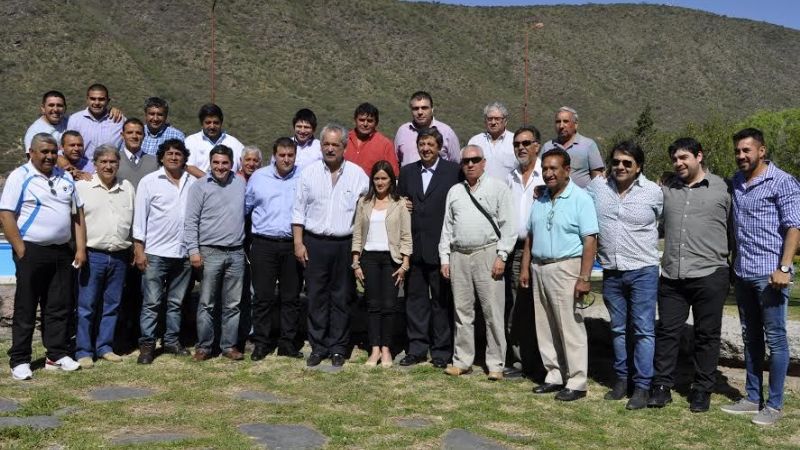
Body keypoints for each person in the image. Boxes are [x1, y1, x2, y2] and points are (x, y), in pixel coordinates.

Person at [722, 128, 800, 425]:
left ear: (762, 151)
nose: (741, 156)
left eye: (747, 150)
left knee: (776, 340)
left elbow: (794, 226)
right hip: (742, 272)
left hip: (770, 275)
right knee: (750, 338)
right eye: (738, 151)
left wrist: (784, 268)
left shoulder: (783, 182)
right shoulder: (738, 181)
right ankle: (753, 398)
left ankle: (775, 406)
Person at [647, 137, 731, 413]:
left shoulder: (723, 188)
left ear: (699, 156)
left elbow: (737, 229)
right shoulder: (667, 189)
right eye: (674, 159)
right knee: (668, 332)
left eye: (684, 157)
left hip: (710, 274)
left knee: (707, 335)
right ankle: (661, 386)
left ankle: (702, 389)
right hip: (672, 276)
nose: (678, 163)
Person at [0, 133, 87, 379]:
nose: (49, 156)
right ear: (32, 152)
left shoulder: (65, 178)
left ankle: (56, 355)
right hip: (31, 251)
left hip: (61, 251)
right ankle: (20, 360)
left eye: (52, 152)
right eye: (44, 152)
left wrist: (80, 248)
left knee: (59, 306)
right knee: (26, 306)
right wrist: (20, 249)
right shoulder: (21, 176)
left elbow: (77, 216)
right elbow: (6, 214)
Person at [586, 141, 663, 410]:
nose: (620, 166)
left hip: (643, 270)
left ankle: (642, 386)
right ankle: (621, 379)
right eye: (616, 161)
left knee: (643, 330)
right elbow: (575, 199)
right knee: (618, 329)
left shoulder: (653, 192)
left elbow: (665, 222)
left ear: (638, 167)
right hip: (611, 271)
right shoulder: (597, 188)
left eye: (627, 163)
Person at [521, 148, 598, 401]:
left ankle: (577, 381)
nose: (548, 173)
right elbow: (530, 237)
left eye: (554, 168)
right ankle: (554, 375)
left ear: (568, 170)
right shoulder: (541, 198)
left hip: (566, 267)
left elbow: (590, 240)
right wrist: (525, 266)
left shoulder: (581, 199)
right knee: (545, 325)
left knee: (570, 327)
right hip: (540, 267)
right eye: (545, 169)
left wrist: (584, 278)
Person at [292, 124, 369, 367]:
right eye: (326, 144)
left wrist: (358, 250)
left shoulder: (358, 175)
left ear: (344, 147)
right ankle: (318, 346)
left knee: (342, 297)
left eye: (335, 144)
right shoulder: (308, 173)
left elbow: (364, 214)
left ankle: (338, 347)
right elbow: (298, 211)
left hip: (344, 244)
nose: (330, 148)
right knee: (316, 296)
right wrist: (298, 243)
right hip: (314, 242)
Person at [439, 145, 516, 380]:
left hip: (487, 253)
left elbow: (508, 226)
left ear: (484, 162)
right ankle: (462, 360)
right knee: (462, 312)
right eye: (466, 161)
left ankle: (495, 363)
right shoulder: (455, 191)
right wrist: (445, 258)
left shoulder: (498, 188)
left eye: (475, 160)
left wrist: (502, 256)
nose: (470, 164)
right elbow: (447, 227)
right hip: (459, 255)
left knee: (492, 311)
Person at [396, 127, 461, 368]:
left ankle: (442, 351)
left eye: (430, 144)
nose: (425, 149)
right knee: (415, 301)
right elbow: (400, 203)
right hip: (414, 248)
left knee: (442, 302)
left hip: (441, 248)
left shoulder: (453, 172)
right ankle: (416, 348)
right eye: (422, 144)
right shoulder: (407, 173)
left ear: (440, 147)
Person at [132, 139, 196, 364]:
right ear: (161, 157)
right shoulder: (149, 182)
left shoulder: (192, 182)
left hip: (184, 252)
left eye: (178, 154)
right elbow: (140, 218)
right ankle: (147, 345)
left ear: (184, 158)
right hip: (156, 252)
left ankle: (171, 340)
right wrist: (139, 249)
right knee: (151, 302)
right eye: (169, 153)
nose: (174, 157)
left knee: (176, 302)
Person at [74, 145, 135, 368]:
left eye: (113, 162)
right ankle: (83, 350)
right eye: (104, 162)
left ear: (118, 164)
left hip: (119, 256)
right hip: (93, 255)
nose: (109, 166)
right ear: (95, 164)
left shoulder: (127, 187)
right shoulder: (82, 187)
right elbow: (75, 221)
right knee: (87, 306)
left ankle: (105, 347)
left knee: (112, 305)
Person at [185, 145, 247, 361]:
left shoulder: (240, 183)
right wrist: (194, 250)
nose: (220, 167)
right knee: (207, 303)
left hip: (236, 253)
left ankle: (229, 346)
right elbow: (191, 222)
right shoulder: (199, 187)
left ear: (231, 164)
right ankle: (204, 347)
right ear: (210, 164)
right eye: (216, 163)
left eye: (225, 163)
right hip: (209, 252)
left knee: (233, 304)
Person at [246, 138, 304, 360]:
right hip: (264, 244)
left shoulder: (303, 176)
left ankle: (287, 343)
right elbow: (246, 207)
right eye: (282, 155)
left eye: (290, 155)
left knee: (291, 297)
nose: (286, 159)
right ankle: (261, 342)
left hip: (292, 244)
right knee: (263, 296)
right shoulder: (259, 177)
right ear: (274, 155)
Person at [352, 161, 412, 368]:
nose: (380, 182)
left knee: (389, 306)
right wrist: (355, 262)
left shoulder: (400, 203)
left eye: (384, 178)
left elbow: (406, 235)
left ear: (391, 180)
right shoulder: (364, 203)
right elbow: (358, 233)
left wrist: (405, 264)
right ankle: (374, 348)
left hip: (391, 260)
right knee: (372, 306)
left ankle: (387, 347)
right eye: (376, 178)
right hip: (369, 258)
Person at [504, 126, 544, 377]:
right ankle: (520, 360)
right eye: (517, 143)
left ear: (537, 146)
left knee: (540, 306)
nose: (521, 147)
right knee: (517, 306)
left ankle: (542, 361)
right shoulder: (509, 178)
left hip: (542, 250)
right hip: (514, 250)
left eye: (526, 143)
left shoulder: (547, 175)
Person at [541, 106, 603, 188]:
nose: (561, 126)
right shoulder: (548, 146)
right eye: (558, 122)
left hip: (582, 198)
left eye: (566, 121)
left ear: (575, 124)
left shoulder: (588, 145)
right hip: (553, 198)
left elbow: (597, 177)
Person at [394, 91, 460, 166]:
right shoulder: (403, 131)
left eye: (424, 108)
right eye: (416, 108)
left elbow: (456, 164)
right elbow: (396, 162)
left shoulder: (447, 132)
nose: (420, 112)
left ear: (432, 109)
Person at [66, 83, 125, 159]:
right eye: (93, 99)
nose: (97, 103)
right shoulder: (75, 120)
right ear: (87, 100)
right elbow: (67, 146)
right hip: (82, 168)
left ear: (108, 101)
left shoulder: (119, 120)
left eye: (101, 99)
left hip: (110, 168)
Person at [185, 104, 244, 178]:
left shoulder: (234, 143)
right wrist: (211, 181)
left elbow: (245, 166)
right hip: (199, 187)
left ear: (221, 122)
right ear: (201, 123)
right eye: (208, 122)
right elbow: (187, 166)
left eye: (216, 123)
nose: (212, 126)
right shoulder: (191, 141)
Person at [344, 103, 399, 176]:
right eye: (361, 120)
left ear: (376, 123)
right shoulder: (343, 139)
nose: (365, 124)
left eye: (370, 121)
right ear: (355, 120)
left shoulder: (385, 144)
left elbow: (393, 175)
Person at [468, 102, 517, 180]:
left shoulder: (516, 141)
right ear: (485, 121)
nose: (493, 122)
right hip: (481, 191)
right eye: (490, 119)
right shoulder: (475, 141)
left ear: (505, 121)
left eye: (497, 119)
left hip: (508, 191)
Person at [116, 118, 159, 189]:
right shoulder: (114, 160)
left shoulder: (155, 162)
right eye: (129, 132)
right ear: (122, 135)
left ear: (144, 136)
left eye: (138, 133)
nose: (134, 136)